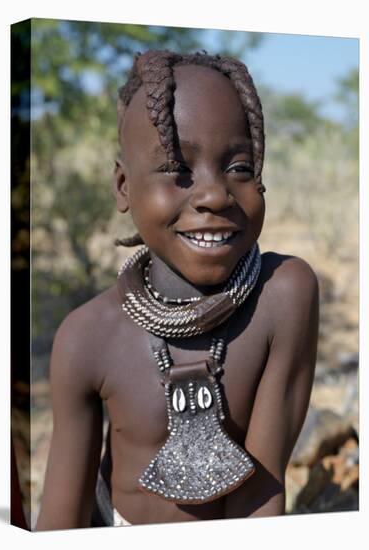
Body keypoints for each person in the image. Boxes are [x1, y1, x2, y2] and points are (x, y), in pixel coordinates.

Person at [35, 50, 319, 530]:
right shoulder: (86, 337)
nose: (213, 195)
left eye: (240, 168)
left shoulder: (283, 296)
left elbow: (260, 494)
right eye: (178, 168)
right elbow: (61, 521)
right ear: (123, 186)